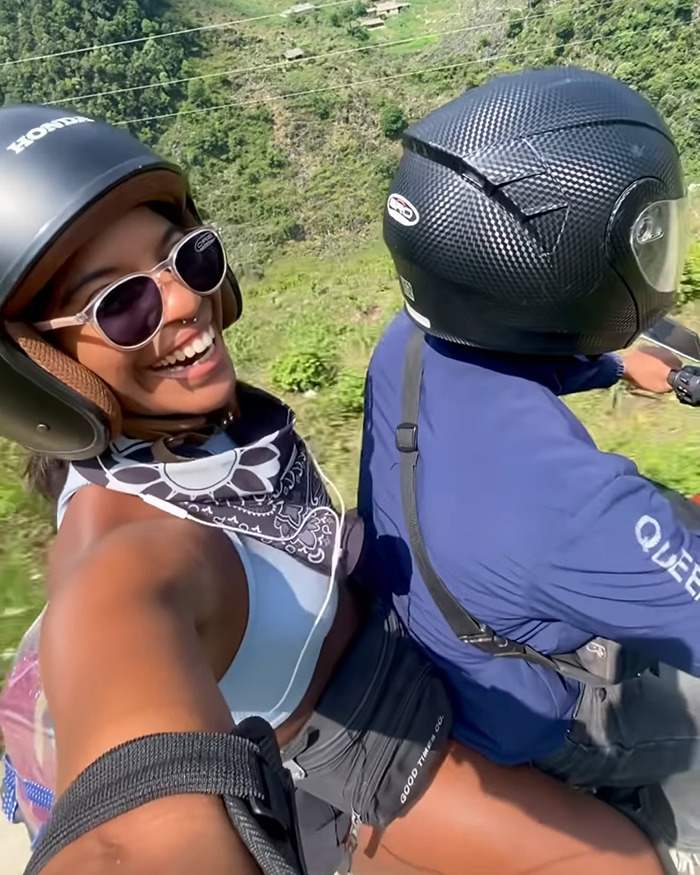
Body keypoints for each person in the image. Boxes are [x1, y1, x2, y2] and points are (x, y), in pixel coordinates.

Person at [0, 102, 670, 875]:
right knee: (623, 862)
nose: (183, 300)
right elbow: (131, 835)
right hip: (370, 746)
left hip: (402, 620)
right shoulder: (126, 549)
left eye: (188, 258)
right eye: (122, 306)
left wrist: (610, 361)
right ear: (37, 369)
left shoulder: (191, 427)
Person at [357, 65, 700, 874]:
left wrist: (615, 365)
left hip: (441, 658)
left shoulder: (405, 342)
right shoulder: (587, 510)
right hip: (553, 727)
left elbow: (509, 361)